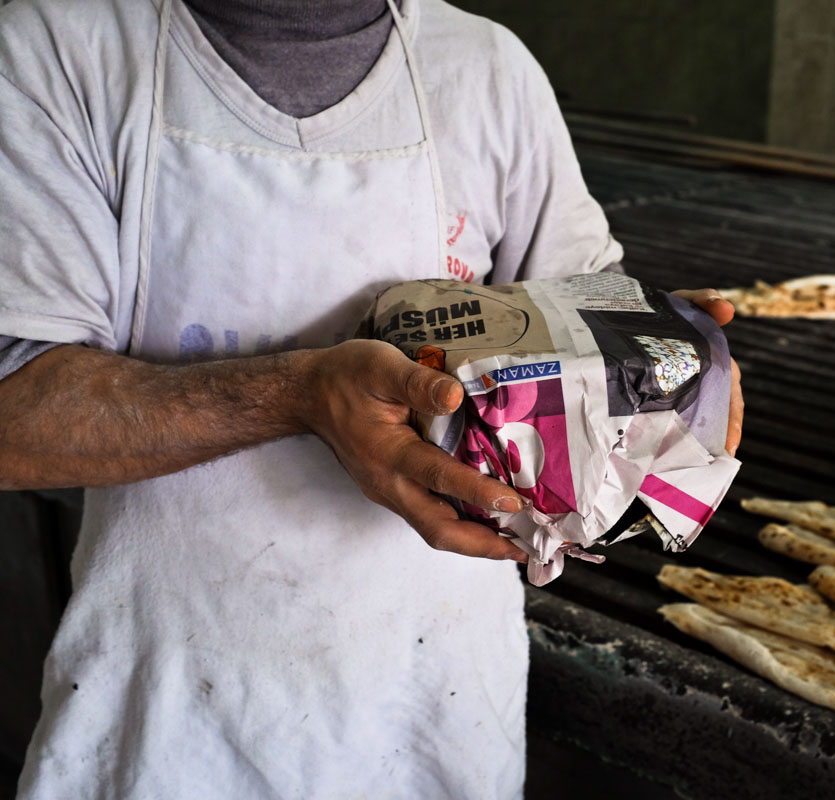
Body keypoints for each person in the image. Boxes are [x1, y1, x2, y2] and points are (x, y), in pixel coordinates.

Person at [0, 0, 743, 797]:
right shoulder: (59, 50)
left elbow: (586, 333)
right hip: (172, 717)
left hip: (436, 707)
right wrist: (303, 394)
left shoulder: (486, 67)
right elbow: (17, 419)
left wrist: (664, 354)